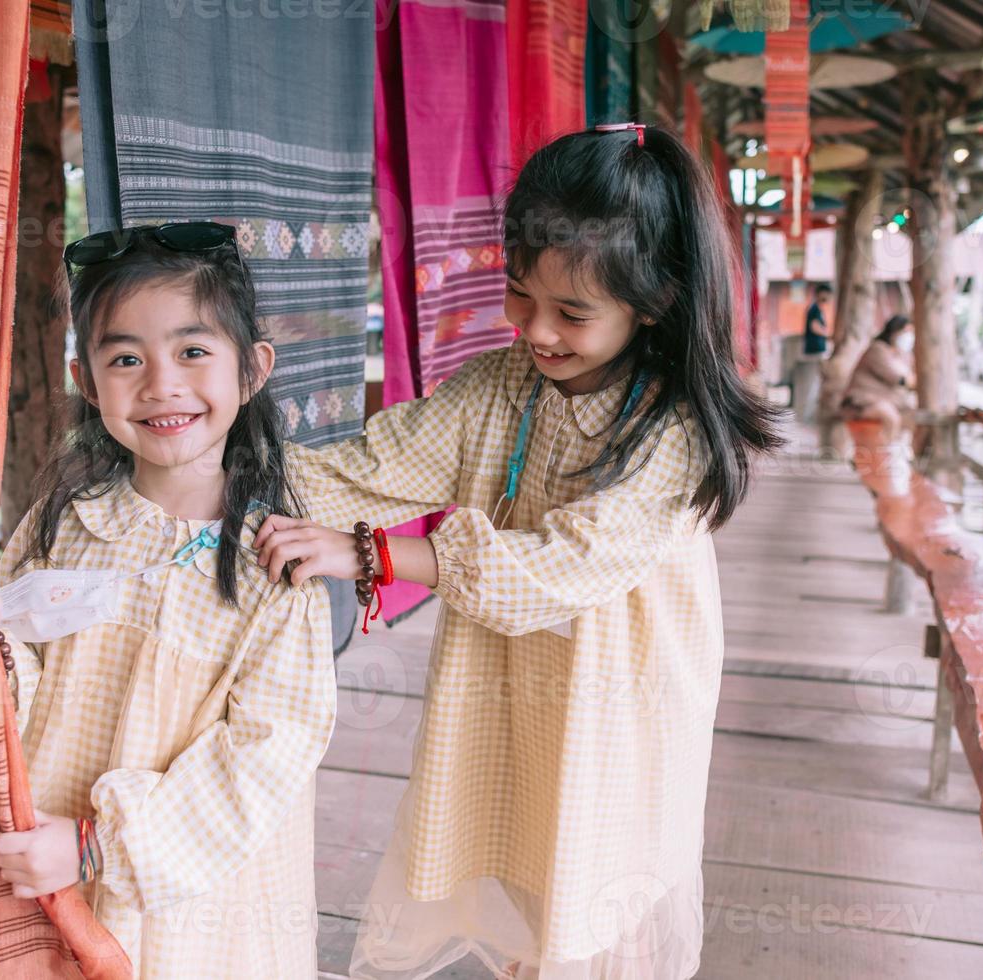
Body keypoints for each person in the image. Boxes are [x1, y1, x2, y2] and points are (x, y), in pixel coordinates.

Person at [255, 125, 785, 978]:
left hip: (619, 703)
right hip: (511, 688)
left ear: (654, 301)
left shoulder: (672, 431)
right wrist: (212, 467)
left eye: (573, 313)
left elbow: (567, 564)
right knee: (526, 875)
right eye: (517, 294)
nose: (535, 330)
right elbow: (376, 466)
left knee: (590, 891)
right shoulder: (507, 384)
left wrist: (383, 560)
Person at [0, 223, 336, 977]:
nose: (161, 383)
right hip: (45, 859)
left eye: (193, 351)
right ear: (87, 379)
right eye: (126, 359)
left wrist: (96, 844)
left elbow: (266, 754)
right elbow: (21, 674)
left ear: (252, 370)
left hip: (194, 904)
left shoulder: (276, 565)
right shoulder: (65, 524)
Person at [841, 313, 916, 442]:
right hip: (860, 402)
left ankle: (898, 452)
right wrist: (911, 381)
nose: (908, 337)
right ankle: (882, 456)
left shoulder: (899, 354)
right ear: (894, 331)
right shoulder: (878, 349)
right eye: (905, 332)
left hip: (884, 400)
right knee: (890, 417)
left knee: (912, 415)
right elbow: (897, 378)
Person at [803, 283, 832, 356]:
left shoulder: (817, 308)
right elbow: (814, 326)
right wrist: (827, 334)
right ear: (820, 293)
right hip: (814, 349)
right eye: (827, 294)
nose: (828, 297)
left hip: (817, 348)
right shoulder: (814, 308)